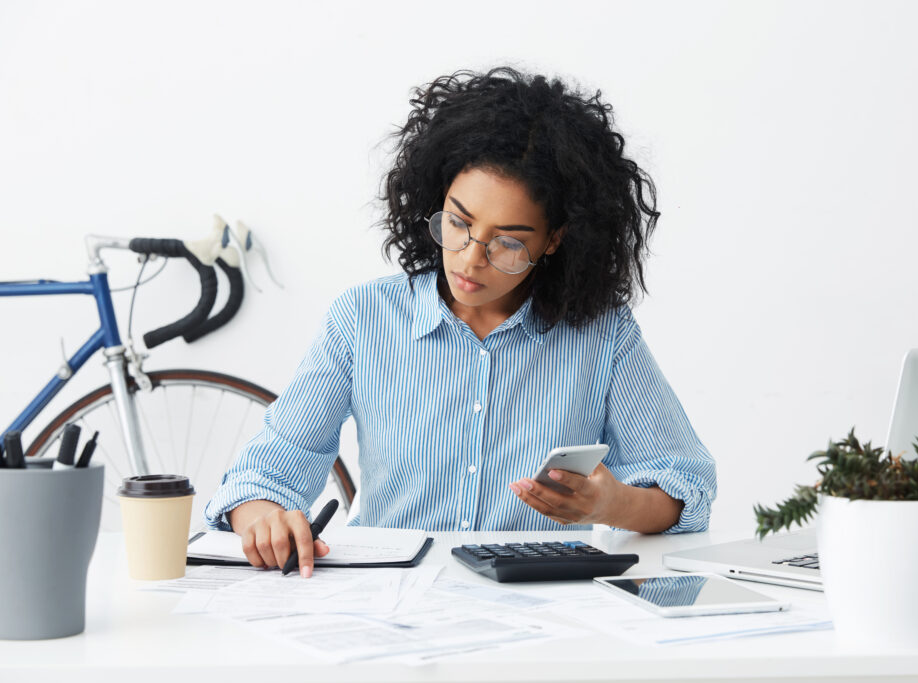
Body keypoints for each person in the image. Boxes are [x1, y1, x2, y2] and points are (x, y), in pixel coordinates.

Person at [204, 66, 717, 577]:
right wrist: (265, 520)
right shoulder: (364, 319)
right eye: (458, 222)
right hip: (390, 597)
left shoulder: (603, 335)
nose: (471, 260)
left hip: (538, 601)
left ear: (555, 239)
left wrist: (612, 504)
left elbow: (686, 488)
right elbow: (262, 477)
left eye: (508, 242)